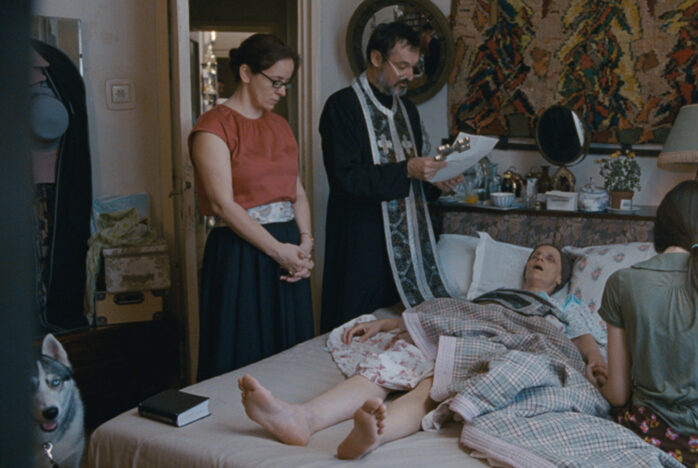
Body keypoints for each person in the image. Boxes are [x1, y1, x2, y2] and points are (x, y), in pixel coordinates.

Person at [239, 244, 606, 459]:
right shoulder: (489, 296)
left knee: (438, 380)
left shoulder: (564, 307)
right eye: (535, 255)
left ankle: (377, 433)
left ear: (560, 278)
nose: (539, 259)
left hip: (501, 345)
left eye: (549, 258)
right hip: (460, 329)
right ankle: (303, 417)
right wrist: (388, 324)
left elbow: (583, 340)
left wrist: (595, 360)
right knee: (394, 361)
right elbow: (444, 316)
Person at [595, 180, 698, 468]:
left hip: (650, 437)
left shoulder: (622, 282)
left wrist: (595, 380)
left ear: (662, 227)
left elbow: (617, 395)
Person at [318, 21, 462, 333]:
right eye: (402, 66)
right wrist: (408, 169)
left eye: (414, 67)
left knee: (399, 330)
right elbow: (346, 179)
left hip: (405, 245)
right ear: (376, 58)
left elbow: (413, 179)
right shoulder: (342, 106)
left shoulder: (408, 110)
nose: (409, 75)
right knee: (352, 329)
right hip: (360, 242)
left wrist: (435, 181)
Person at [189, 34, 314, 381]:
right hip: (241, 251)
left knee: (290, 354)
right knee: (241, 350)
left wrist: (305, 243)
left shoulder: (280, 125)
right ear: (246, 73)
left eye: (286, 84)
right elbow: (222, 204)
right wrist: (279, 251)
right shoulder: (212, 127)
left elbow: (297, 191)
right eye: (276, 82)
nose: (282, 92)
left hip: (288, 246)